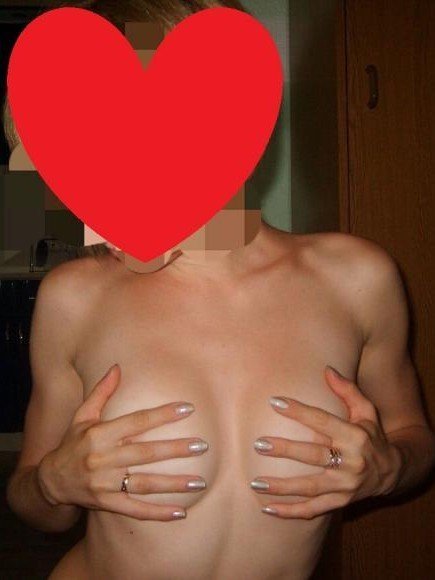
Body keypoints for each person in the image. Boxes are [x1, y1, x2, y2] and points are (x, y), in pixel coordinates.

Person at [4, 1, 435, 579]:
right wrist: (55, 482)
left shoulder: (357, 279)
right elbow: (32, 500)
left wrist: (387, 467)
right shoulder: (73, 298)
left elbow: (414, 439)